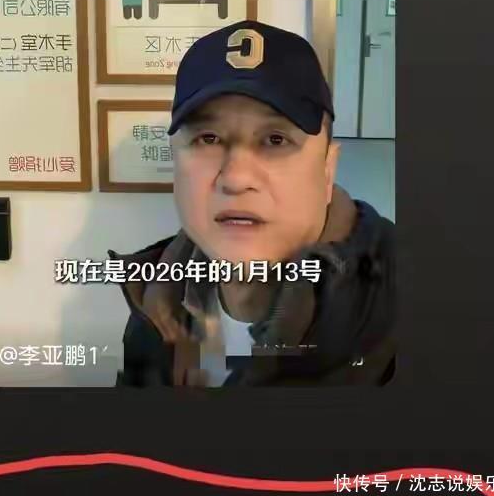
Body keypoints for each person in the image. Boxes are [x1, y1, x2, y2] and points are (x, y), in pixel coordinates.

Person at [110, 20, 395, 386]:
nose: (236, 178)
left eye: (275, 140)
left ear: (327, 170)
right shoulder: (155, 300)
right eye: (208, 138)